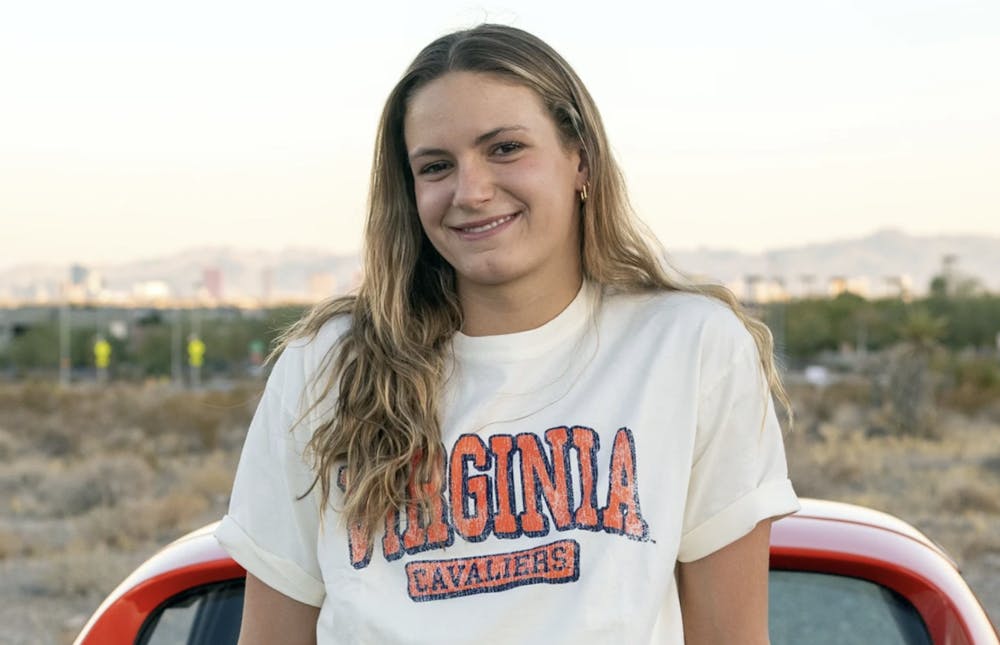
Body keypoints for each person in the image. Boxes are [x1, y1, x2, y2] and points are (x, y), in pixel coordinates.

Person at [215, 23, 799, 645]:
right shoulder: (327, 365)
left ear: (582, 159)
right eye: (437, 166)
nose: (471, 191)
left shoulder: (688, 348)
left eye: (505, 149)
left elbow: (730, 636)